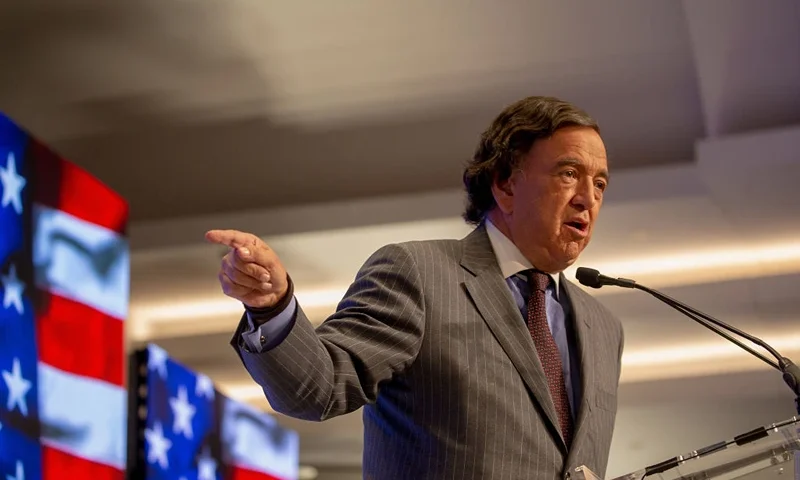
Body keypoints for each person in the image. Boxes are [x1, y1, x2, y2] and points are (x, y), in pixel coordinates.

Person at [206, 96, 624, 480]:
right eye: (569, 174)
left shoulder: (601, 327)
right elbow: (319, 387)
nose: (588, 198)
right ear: (505, 183)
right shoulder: (419, 275)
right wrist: (271, 306)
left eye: (600, 184)